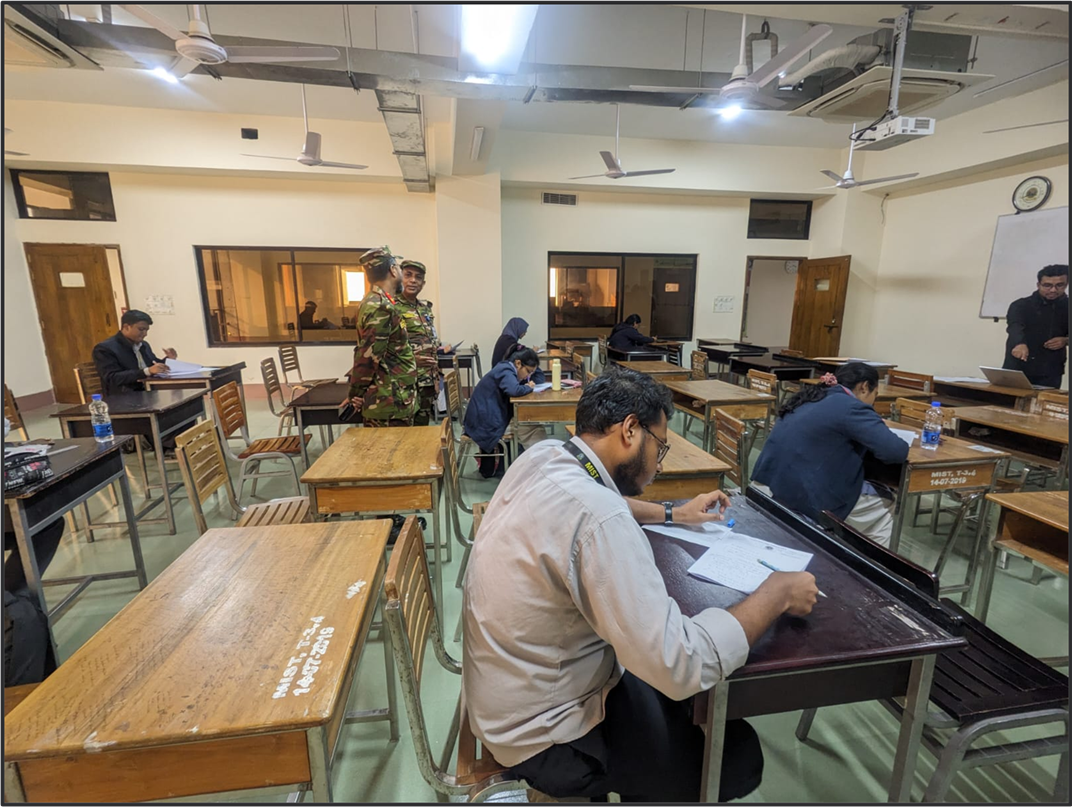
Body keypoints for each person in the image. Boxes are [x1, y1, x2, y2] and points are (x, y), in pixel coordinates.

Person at [463, 364, 818, 802]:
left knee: (672, 700)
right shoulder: (599, 516)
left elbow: (600, 503)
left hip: (506, 692)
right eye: (660, 445)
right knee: (735, 757)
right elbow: (680, 664)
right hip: (545, 735)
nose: (659, 464)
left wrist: (674, 513)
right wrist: (776, 592)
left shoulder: (546, 456)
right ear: (631, 430)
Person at [751, 362, 910, 546]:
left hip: (769, 481)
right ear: (864, 387)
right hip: (802, 495)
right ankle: (867, 561)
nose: (874, 402)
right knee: (885, 502)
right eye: (875, 395)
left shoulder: (812, 396)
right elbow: (896, 452)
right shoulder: (852, 406)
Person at [344, 247, 418, 427]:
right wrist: (355, 394)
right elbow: (368, 356)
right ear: (393, 270)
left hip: (394, 395)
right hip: (388, 402)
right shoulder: (379, 306)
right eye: (399, 268)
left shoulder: (380, 301)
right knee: (392, 446)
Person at [463, 348, 547, 478]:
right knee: (532, 428)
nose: (527, 376)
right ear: (518, 363)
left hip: (484, 417)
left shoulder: (505, 368)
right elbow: (514, 390)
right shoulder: (506, 370)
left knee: (530, 425)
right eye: (528, 372)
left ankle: (539, 465)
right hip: (484, 423)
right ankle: (542, 467)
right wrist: (528, 387)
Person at [396, 259, 453, 426]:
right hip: (404, 382)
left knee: (422, 429)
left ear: (423, 283)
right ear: (399, 277)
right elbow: (384, 348)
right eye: (408, 275)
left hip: (426, 382)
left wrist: (436, 378)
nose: (413, 280)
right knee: (404, 431)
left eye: (418, 277)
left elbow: (430, 344)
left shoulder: (424, 308)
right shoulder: (391, 307)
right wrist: (410, 360)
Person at [1002, 264, 1069, 388]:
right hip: (1018, 365)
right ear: (1038, 285)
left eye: (1059, 285)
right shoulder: (1021, 305)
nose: (1053, 290)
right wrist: (1019, 343)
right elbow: (1015, 326)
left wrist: (1066, 340)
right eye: (1047, 285)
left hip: (1051, 369)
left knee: (1045, 399)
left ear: (1066, 285)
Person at [92, 310, 177, 397]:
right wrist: (146, 372)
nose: (145, 334)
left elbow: (153, 365)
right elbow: (112, 377)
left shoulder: (144, 345)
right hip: (123, 397)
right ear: (126, 327)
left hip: (149, 393)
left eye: (146, 330)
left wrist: (168, 359)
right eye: (141, 329)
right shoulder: (105, 348)